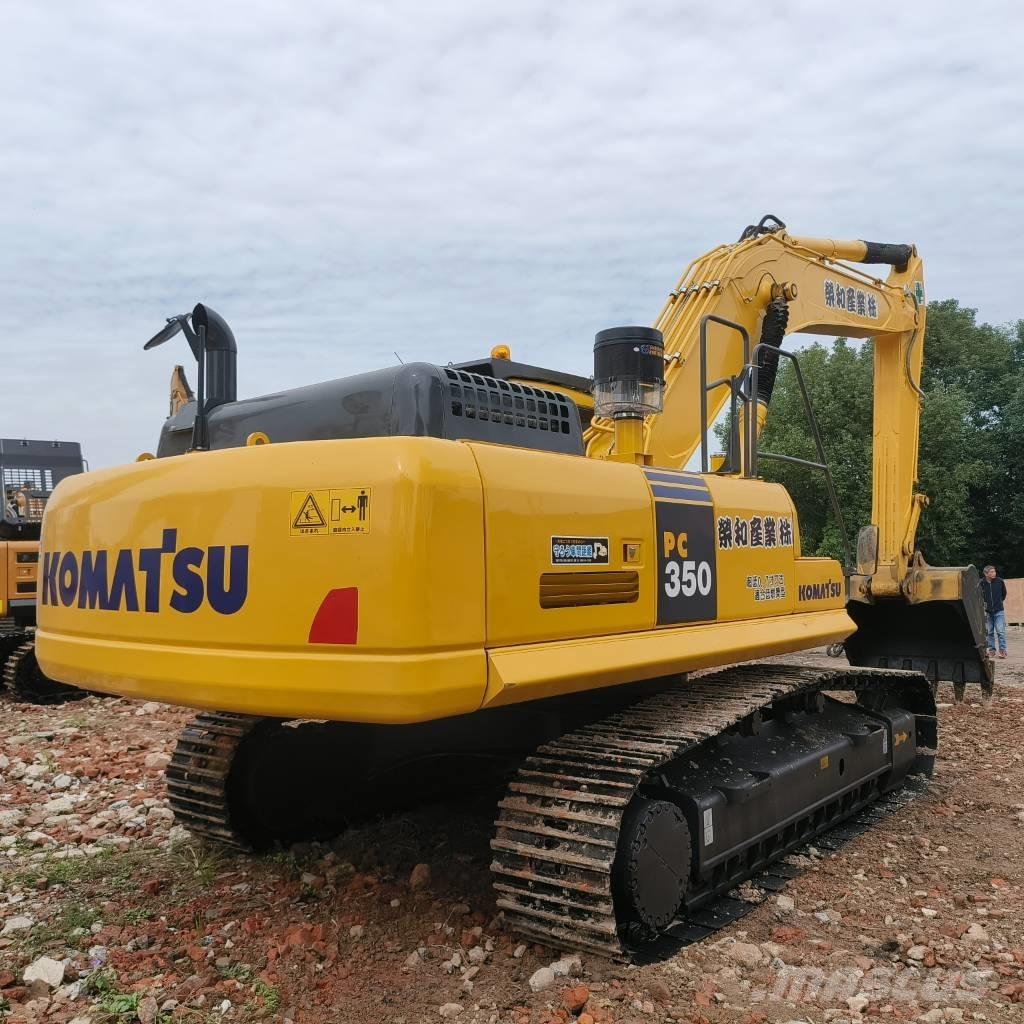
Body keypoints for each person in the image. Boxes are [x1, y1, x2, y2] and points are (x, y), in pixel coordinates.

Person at [981, 565, 1008, 659]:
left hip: (999, 611)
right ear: (986, 574)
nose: (994, 573)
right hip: (988, 612)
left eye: (994, 571)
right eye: (991, 572)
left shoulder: (999, 581)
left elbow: (1004, 594)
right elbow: (979, 595)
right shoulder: (981, 583)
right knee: (990, 632)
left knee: (1000, 631)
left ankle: (1003, 651)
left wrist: (999, 602)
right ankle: (992, 651)